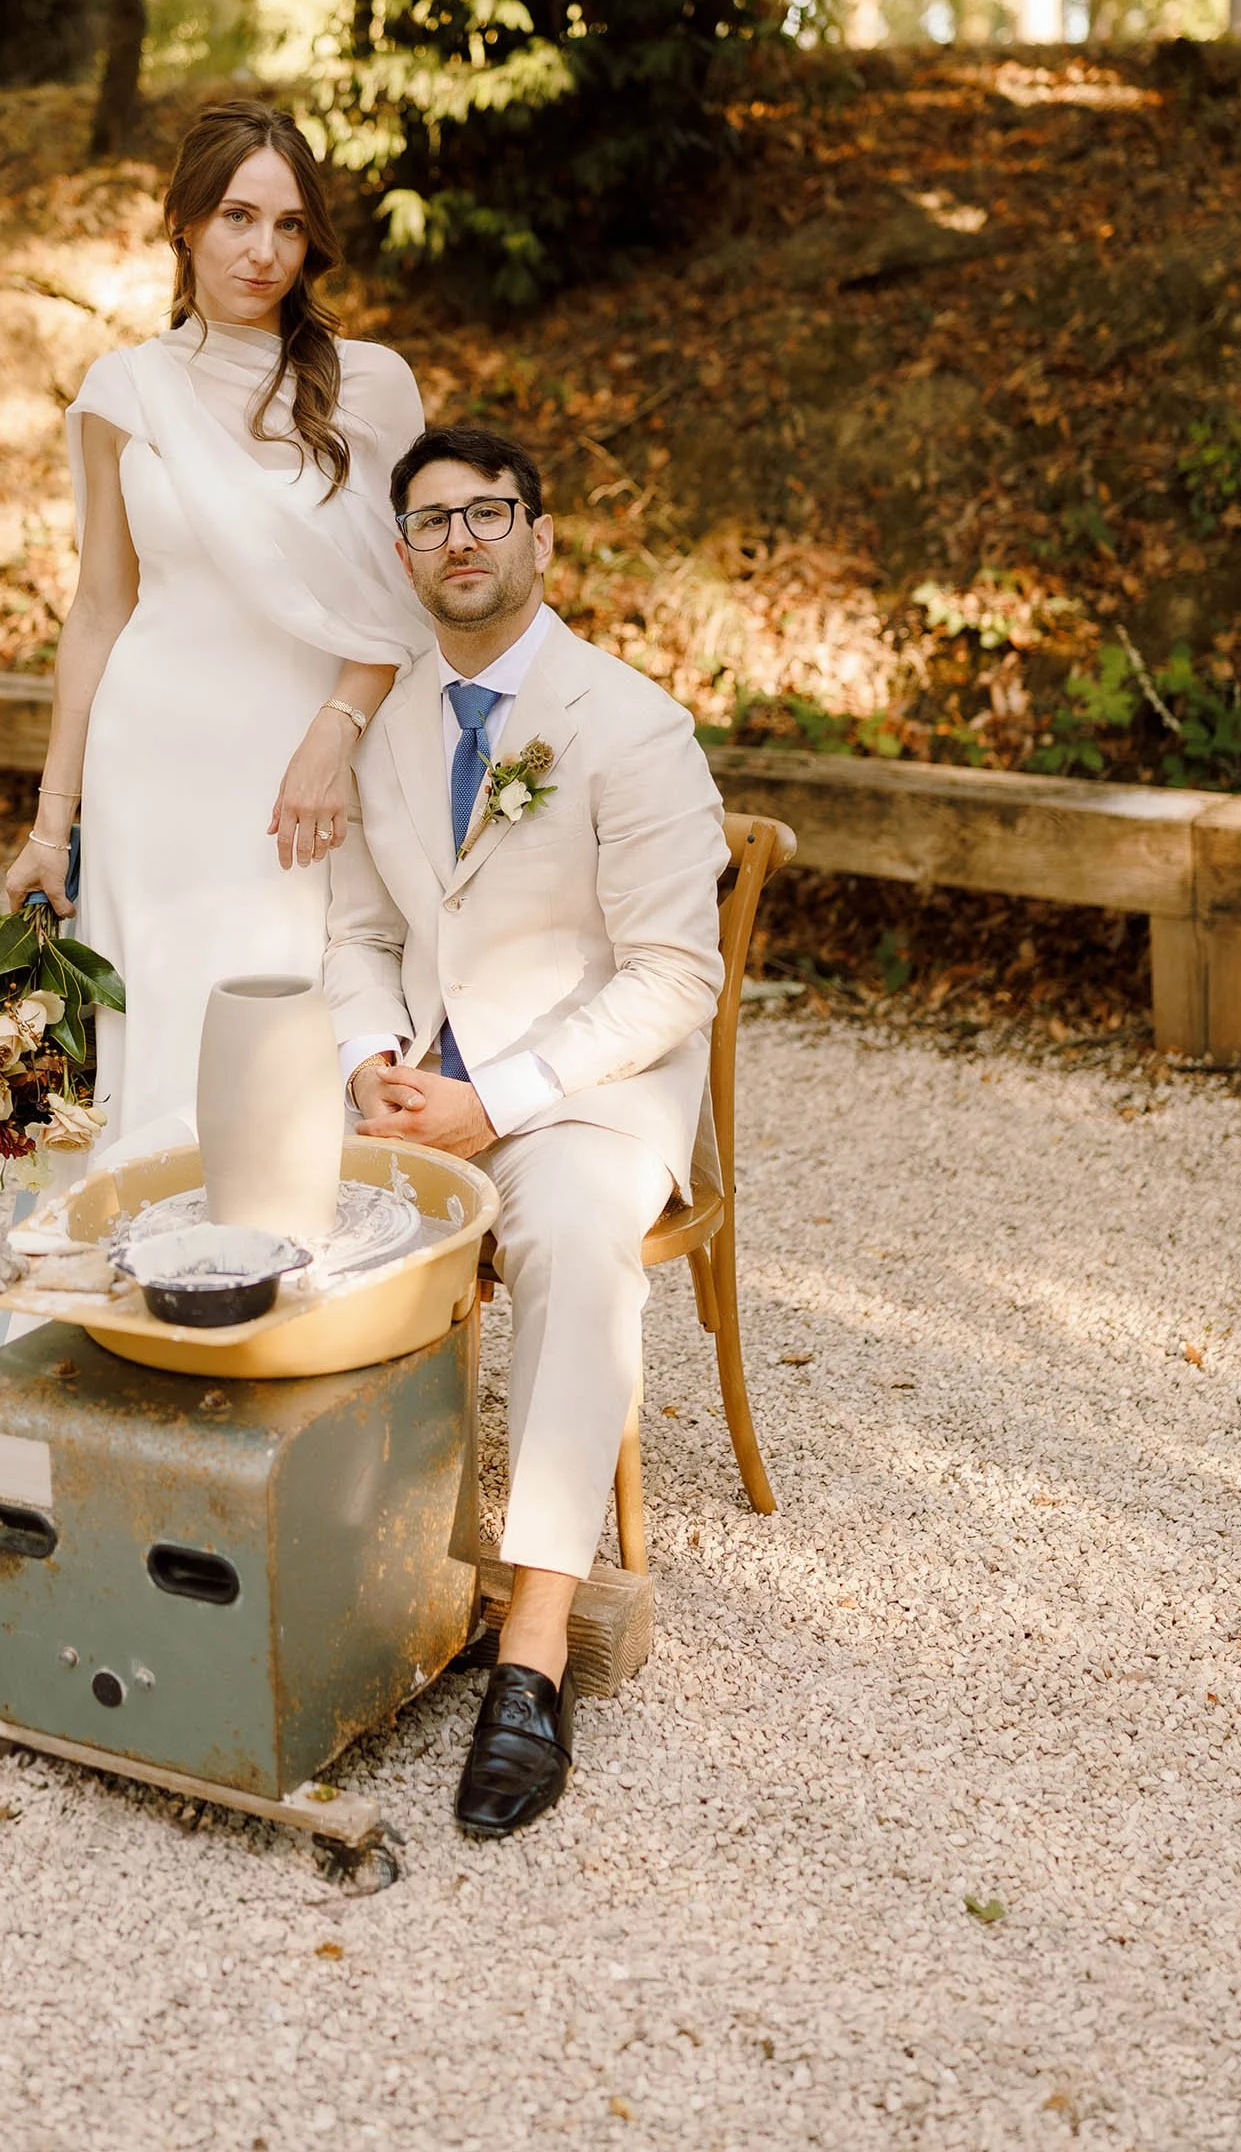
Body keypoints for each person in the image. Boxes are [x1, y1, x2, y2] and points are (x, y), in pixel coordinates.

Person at [326, 423, 726, 1840]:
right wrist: (369, 1058)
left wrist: (493, 1099)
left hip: (583, 1093)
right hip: (420, 1086)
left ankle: (535, 1649)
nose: (462, 538)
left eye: (488, 512)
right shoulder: (387, 728)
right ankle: (344, 1574)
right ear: (404, 555)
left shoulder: (630, 721)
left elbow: (674, 975)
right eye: (431, 518)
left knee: (567, 1234)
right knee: (274, 1195)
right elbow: (359, 931)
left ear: (540, 537)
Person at [5, 101, 429, 1145]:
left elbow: (403, 601)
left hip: (300, 768)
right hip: (148, 765)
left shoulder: (370, 385)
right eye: (237, 216)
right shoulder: (125, 390)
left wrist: (337, 727)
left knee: (279, 1040)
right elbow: (99, 609)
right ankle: (142, 1239)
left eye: (288, 225)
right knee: (155, 1040)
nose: (262, 251)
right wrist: (51, 825)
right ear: (184, 222)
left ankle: (284, 1239)